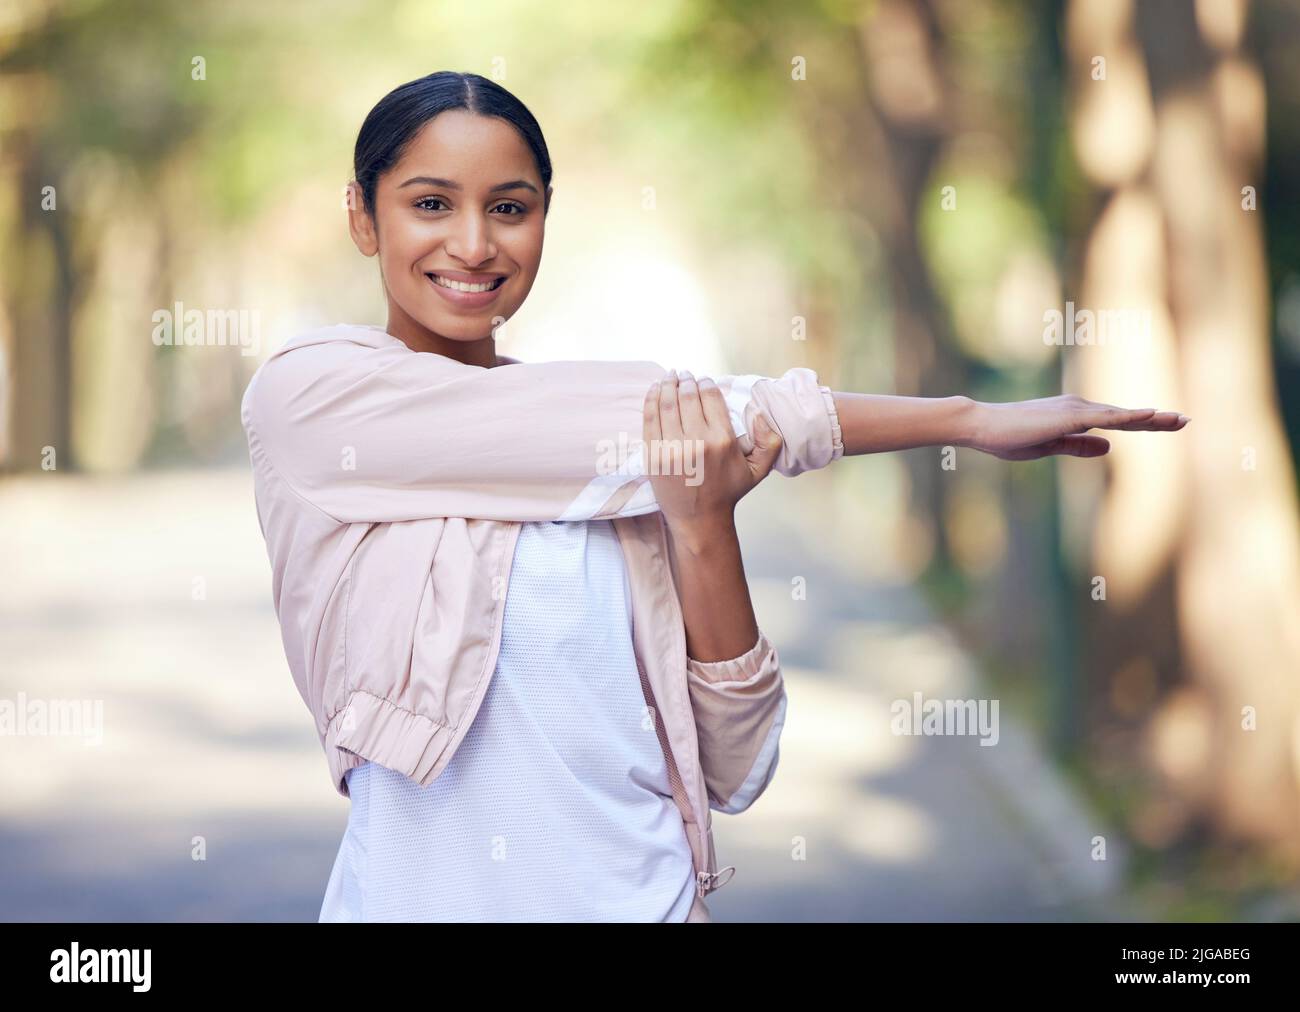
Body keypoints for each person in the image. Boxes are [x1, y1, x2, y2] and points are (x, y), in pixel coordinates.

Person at [240, 70, 1187, 923]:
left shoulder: (636, 469)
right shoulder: (313, 402)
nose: (475, 243)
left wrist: (702, 526)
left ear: (543, 222)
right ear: (364, 218)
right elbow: (649, 417)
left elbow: (735, 765)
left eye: (511, 207)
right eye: (431, 203)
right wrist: (966, 419)